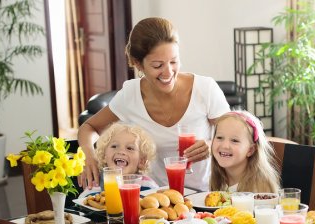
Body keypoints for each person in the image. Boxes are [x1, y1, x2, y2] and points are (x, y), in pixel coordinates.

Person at [77, 17, 230, 192]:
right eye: (157, 65)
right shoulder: (130, 95)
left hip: (206, 196)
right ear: (137, 63)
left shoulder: (205, 89)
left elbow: (234, 135)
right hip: (155, 199)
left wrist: (211, 144)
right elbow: (88, 127)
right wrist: (89, 155)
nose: (168, 72)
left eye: (173, 61)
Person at [210, 110, 280, 193]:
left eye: (234, 140)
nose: (225, 146)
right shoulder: (219, 179)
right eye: (219, 137)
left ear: (250, 150)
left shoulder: (260, 189)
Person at [95, 122, 158, 190]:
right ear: (104, 155)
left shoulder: (149, 187)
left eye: (129, 148)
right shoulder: (93, 190)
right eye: (114, 146)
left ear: (141, 161)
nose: (121, 151)